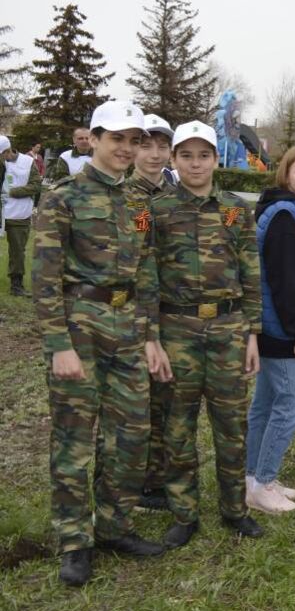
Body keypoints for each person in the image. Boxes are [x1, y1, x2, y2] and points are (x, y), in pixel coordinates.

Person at [34, 100, 166, 587]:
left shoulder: (138, 203)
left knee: (130, 435)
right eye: (118, 139)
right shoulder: (63, 197)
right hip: (80, 324)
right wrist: (59, 343)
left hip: (129, 325)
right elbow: (45, 277)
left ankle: (114, 527)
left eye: (136, 141)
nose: (128, 149)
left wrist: (151, 335)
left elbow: (147, 270)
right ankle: (73, 541)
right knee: (74, 438)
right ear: (92, 138)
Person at [151, 121, 265, 547]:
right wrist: (152, 337)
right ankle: (184, 513)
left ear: (216, 159)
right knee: (177, 426)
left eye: (203, 155)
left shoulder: (235, 208)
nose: (195, 164)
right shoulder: (155, 210)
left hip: (228, 330)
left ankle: (235, 510)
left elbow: (250, 271)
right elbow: (145, 275)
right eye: (186, 155)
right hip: (175, 329)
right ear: (174, 160)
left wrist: (253, 332)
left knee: (231, 425)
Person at [247, 145, 295, 513]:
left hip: (276, 326)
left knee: (265, 404)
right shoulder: (285, 216)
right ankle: (263, 483)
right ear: (285, 176)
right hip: (281, 329)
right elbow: (284, 282)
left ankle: (252, 479)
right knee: (293, 403)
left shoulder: (291, 211)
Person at [121, 113, 175, 512]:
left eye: (161, 145)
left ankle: (157, 479)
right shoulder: (129, 196)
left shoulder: (175, 188)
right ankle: (136, 484)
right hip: (137, 312)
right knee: (139, 404)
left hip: (175, 311)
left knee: (166, 399)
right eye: (146, 145)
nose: (155, 154)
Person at [2, 135, 37, 296]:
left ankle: (17, 286)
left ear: (7, 151)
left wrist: (14, 192)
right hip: (1, 211)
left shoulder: (28, 162)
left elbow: (36, 185)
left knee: (17, 251)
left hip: (19, 214)